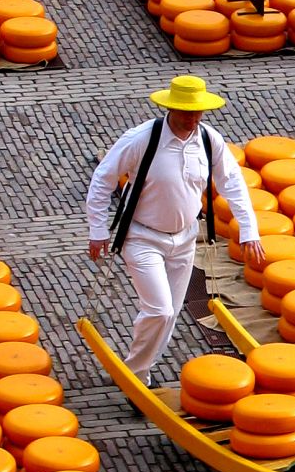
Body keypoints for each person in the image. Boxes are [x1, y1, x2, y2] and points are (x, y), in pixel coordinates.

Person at [86, 75, 264, 386]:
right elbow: (103, 178)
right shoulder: (141, 139)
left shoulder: (210, 141)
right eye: (186, 112)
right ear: (170, 108)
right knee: (160, 310)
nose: (193, 119)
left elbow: (232, 183)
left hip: (185, 239)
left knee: (170, 313)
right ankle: (135, 376)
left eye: (198, 113)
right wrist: (98, 229)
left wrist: (249, 230)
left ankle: (144, 369)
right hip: (142, 237)